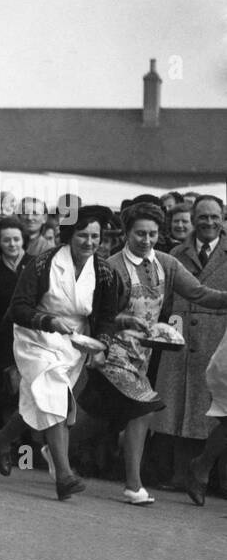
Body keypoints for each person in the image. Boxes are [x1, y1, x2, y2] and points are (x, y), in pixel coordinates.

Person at [77, 201, 227, 505]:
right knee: (143, 408)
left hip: (141, 355)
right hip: (111, 350)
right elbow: (97, 315)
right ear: (126, 234)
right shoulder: (110, 267)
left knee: (96, 415)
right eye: (140, 234)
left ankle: (52, 445)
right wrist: (124, 322)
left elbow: (197, 293)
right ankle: (133, 485)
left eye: (153, 234)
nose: (147, 241)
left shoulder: (166, 263)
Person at [0, 206, 131, 500]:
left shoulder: (104, 272)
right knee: (56, 397)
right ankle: (64, 475)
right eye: (82, 235)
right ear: (69, 236)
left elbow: (106, 315)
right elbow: (19, 308)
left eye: (95, 236)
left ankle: (3, 438)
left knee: (40, 401)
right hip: (35, 337)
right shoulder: (43, 264)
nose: (89, 242)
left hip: (73, 342)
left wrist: (101, 344)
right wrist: (48, 321)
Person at [151, 195, 227, 493]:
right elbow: (164, 299)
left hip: (218, 338)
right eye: (203, 216)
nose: (208, 222)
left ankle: (215, 480)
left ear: (223, 219)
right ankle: (181, 476)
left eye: (214, 217)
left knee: (213, 412)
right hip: (181, 338)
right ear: (193, 219)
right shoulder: (176, 252)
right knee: (181, 410)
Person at [0, 216, 28, 445]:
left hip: (32, 336)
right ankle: (6, 445)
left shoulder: (35, 265)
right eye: (6, 240)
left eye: (16, 239)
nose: (12, 244)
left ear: (23, 240)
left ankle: (26, 450)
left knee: (29, 392)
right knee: (7, 391)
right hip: (5, 338)